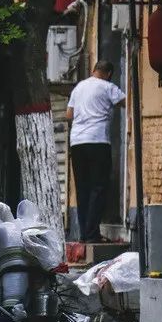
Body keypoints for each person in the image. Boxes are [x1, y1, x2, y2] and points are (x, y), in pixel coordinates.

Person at [65, 60, 125, 243]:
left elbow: (69, 115)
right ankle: (92, 235)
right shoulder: (108, 87)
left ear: (93, 70)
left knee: (83, 189)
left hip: (77, 143)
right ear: (108, 73)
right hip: (98, 141)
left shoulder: (79, 87)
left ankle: (85, 234)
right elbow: (127, 102)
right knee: (98, 188)